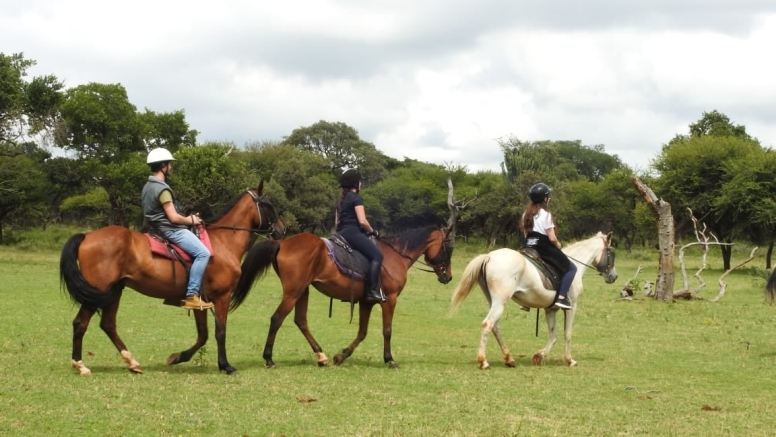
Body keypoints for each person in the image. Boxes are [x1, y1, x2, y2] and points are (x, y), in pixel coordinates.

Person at [141, 148, 213, 310]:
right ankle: (192, 295)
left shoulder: (148, 186)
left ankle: (174, 294)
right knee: (203, 253)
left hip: (154, 229)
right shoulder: (162, 189)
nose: (171, 168)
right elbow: (173, 217)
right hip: (170, 229)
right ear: (163, 166)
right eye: (170, 165)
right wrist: (191, 220)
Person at [519, 183, 576, 310]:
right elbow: (552, 237)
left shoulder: (525, 215)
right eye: (548, 196)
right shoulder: (545, 214)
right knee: (571, 268)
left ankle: (525, 301)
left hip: (528, 246)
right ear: (545, 199)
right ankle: (562, 298)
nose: (548, 198)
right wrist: (558, 245)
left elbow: (525, 234)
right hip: (543, 247)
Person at [335, 168, 385, 303]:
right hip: (352, 233)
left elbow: (337, 222)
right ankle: (371, 291)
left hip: (340, 234)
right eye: (360, 181)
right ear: (356, 183)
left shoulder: (341, 200)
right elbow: (362, 221)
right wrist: (373, 232)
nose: (361, 184)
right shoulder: (356, 198)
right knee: (377, 256)